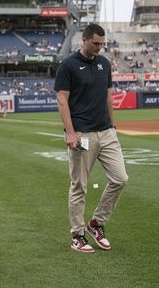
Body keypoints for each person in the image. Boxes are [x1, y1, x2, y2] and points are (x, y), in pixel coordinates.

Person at [54, 23, 128, 254]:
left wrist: (113, 125)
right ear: (84, 40)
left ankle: (96, 222)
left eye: (101, 44)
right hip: (82, 134)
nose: (99, 47)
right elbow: (62, 100)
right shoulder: (68, 65)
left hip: (106, 132)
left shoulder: (104, 64)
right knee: (79, 186)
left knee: (120, 178)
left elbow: (108, 95)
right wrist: (70, 132)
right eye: (95, 43)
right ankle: (77, 234)